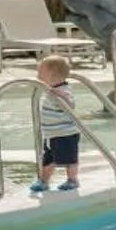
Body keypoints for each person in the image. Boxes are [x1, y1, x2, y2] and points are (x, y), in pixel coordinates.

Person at [31, 55, 81, 193]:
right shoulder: (50, 89)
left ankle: (72, 180)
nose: (38, 76)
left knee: (69, 158)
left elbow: (71, 105)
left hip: (66, 133)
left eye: (41, 73)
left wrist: (62, 96)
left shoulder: (64, 90)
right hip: (51, 134)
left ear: (53, 76)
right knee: (48, 160)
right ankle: (43, 181)